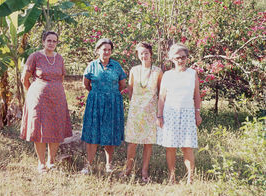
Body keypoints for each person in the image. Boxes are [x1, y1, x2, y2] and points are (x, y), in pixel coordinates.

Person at [20, 31, 72, 173]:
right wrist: (32, 92)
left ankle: (51, 161)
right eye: (49, 40)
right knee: (40, 129)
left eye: (54, 41)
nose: (51, 43)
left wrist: (54, 90)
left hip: (57, 98)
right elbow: (25, 78)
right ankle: (41, 163)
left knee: (55, 128)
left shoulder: (60, 58)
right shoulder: (35, 57)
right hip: (39, 99)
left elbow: (61, 78)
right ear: (43, 42)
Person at [156, 43, 202, 184]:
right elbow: (162, 97)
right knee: (171, 147)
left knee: (187, 147)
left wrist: (198, 113)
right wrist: (159, 116)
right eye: (177, 58)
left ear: (187, 58)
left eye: (183, 57)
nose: (181, 60)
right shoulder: (167, 75)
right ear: (172, 59)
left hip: (188, 113)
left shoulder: (192, 74)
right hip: (170, 114)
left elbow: (197, 95)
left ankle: (190, 178)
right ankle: (172, 177)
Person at [81, 38, 126, 174]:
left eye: (109, 50)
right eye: (103, 49)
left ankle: (109, 165)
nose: (106, 52)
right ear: (98, 50)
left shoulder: (116, 66)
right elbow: (86, 84)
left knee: (110, 133)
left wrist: (110, 94)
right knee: (92, 132)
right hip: (95, 102)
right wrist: (98, 94)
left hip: (112, 102)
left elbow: (122, 84)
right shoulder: (92, 66)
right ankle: (88, 165)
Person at [123, 42, 163, 182]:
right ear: (138, 55)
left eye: (146, 52)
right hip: (136, 110)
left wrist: (159, 113)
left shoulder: (158, 71)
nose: (143, 55)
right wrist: (136, 105)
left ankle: (144, 170)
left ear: (151, 54)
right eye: (141, 53)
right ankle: (128, 168)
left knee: (148, 142)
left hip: (150, 111)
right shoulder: (134, 70)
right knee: (132, 141)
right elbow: (130, 90)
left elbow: (161, 93)